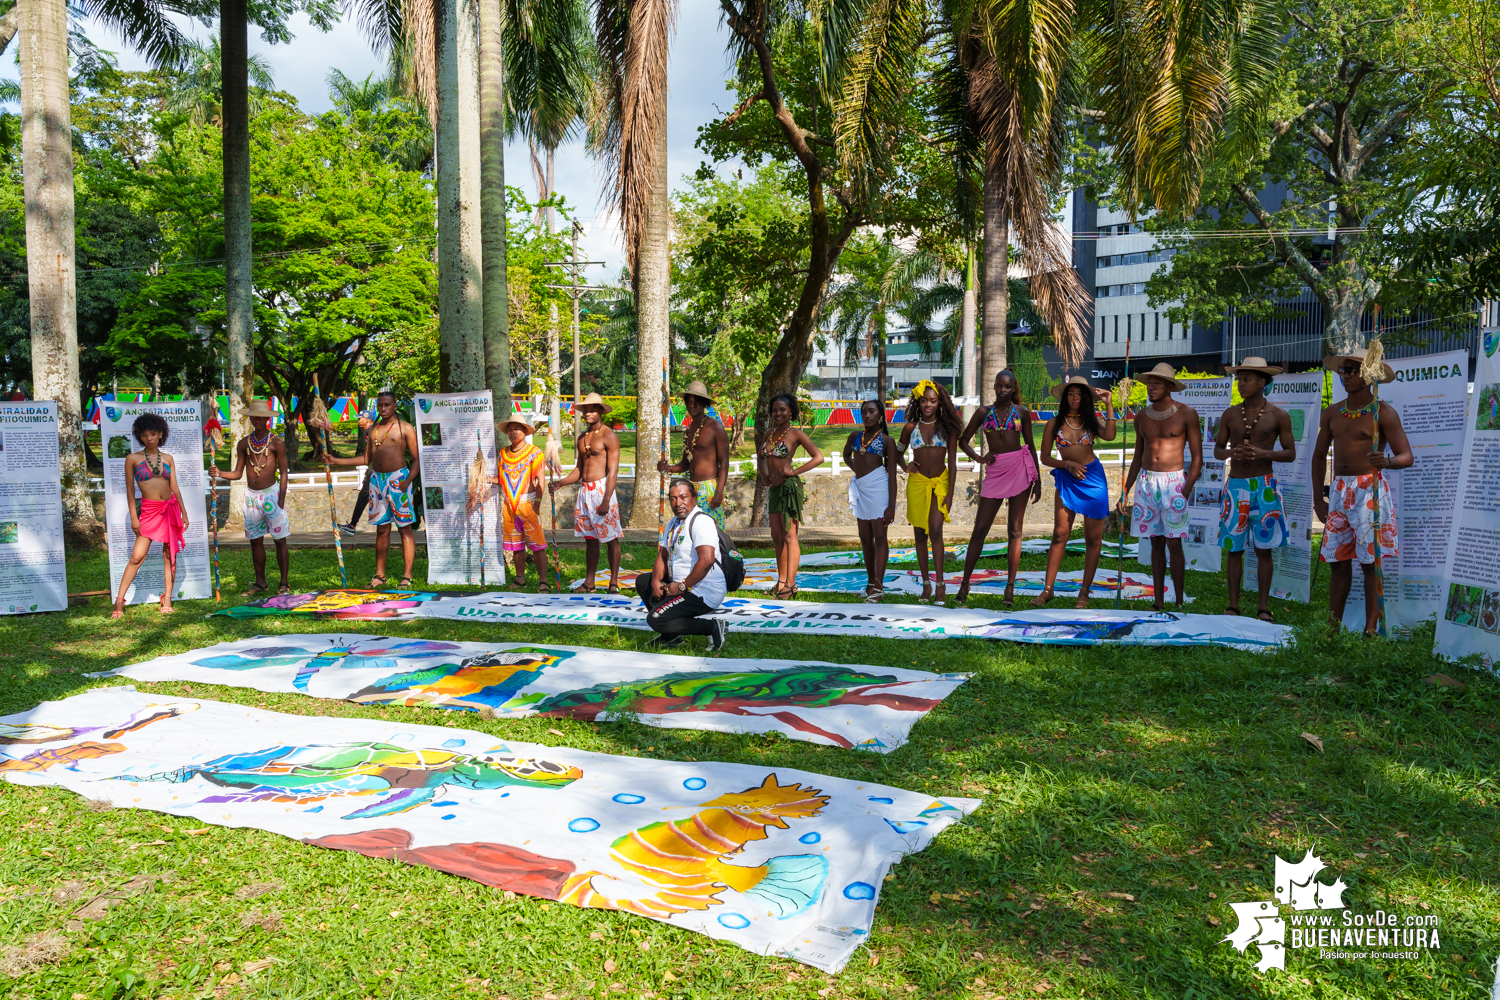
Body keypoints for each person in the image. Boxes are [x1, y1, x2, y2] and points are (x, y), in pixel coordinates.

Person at [1312, 347, 1413, 635]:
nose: (1347, 375)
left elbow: (1407, 455)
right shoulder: (1332, 413)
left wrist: (1389, 461)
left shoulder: (1383, 412)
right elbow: (1319, 456)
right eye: (1344, 370)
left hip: (1370, 490)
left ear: (1370, 375)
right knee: (1337, 560)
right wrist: (1320, 496)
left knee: (1371, 563)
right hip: (1340, 491)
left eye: (1354, 370)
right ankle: (1332, 626)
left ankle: (1371, 628)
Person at [1215, 357, 1297, 621]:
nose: (1241, 383)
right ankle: (1233, 605)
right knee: (1233, 548)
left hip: (1265, 487)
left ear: (1263, 382)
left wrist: (1262, 452)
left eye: (1247, 379)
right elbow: (1218, 450)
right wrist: (1233, 451)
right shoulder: (1230, 414)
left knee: (1264, 549)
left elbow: (1290, 453)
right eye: (1239, 378)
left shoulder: (1278, 415)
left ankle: (1263, 607)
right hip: (1235, 485)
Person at [955, 369, 1042, 605]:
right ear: (994, 386)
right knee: (979, 530)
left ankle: (1010, 588)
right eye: (999, 386)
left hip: (1019, 469)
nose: (1003, 390)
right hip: (995, 472)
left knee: (1015, 530)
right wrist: (979, 458)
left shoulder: (1022, 412)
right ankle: (964, 584)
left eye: (1007, 386)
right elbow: (963, 440)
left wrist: (1038, 479)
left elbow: (1031, 445)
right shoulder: (984, 412)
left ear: (1014, 388)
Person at [1120, 363, 1202, 611]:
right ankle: (1158, 600)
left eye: (1156, 383)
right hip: (1146, 483)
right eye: (1149, 383)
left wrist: (1185, 490)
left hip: (1174, 483)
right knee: (1154, 542)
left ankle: (1178, 599)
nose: (1151, 387)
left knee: (1173, 542)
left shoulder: (1187, 413)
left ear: (1169, 386)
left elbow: (1198, 457)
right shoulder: (1142, 416)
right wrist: (1126, 490)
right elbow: (1137, 456)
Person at [320, 390, 420, 588]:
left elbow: (417, 460)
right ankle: (379, 575)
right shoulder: (372, 429)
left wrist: (407, 481)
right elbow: (367, 459)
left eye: (387, 405)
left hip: (398, 480)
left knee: (404, 529)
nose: (383, 409)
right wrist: (336, 460)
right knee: (382, 530)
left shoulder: (405, 428)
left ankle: (407, 575)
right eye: (380, 405)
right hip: (377, 482)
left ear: (395, 406)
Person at [1036, 376, 1118, 608]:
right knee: (1060, 534)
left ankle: (1084, 592)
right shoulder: (1054, 424)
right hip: (1067, 479)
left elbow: (1110, 435)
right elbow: (1045, 457)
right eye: (1071, 393)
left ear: (1085, 399)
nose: (1075, 397)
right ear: (1065, 397)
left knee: (1093, 538)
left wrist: (1109, 403)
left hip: (1093, 479)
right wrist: (1067, 465)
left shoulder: (1091, 421)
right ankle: (1048, 590)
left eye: (1080, 394)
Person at [635, 479, 730, 652]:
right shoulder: (674, 522)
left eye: (683, 497)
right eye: (673, 498)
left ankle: (713, 627)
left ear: (694, 498)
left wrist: (682, 586)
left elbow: (706, 560)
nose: (678, 503)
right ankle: (671, 637)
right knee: (644, 581)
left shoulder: (701, 522)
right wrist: (656, 581)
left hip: (702, 590)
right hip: (681, 585)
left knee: (656, 619)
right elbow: (662, 555)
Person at [112, 412, 190, 618]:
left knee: (168, 555)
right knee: (137, 557)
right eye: (144, 434)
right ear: (139, 436)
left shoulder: (169, 459)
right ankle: (119, 600)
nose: (149, 438)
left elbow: (175, 487)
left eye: (153, 434)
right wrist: (134, 517)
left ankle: (167, 598)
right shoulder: (132, 459)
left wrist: (184, 512)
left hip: (170, 510)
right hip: (148, 511)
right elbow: (130, 491)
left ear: (161, 434)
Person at [211, 399, 291, 596]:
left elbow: (284, 472)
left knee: (280, 539)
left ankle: (284, 583)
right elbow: (238, 474)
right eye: (254, 416)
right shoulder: (244, 444)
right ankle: (260, 582)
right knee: (255, 540)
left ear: (267, 419)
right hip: (251, 498)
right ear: (250, 418)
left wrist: (280, 499)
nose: (258, 420)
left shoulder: (276, 443)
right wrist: (219, 472)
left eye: (261, 417)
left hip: (272, 495)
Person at [549, 392, 623, 593]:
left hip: (602, 490)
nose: (589, 413)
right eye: (586, 410)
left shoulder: (609, 435)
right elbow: (579, 470)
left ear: (600, 411)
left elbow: (614, 471)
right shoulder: (582, 438)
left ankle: (613, 583)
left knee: (610, 538)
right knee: (590, 539)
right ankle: (589, 583)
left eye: (593, 409)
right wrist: (560, 483)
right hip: (584, 492)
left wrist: (606, 499)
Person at [897, 380, 962, 604]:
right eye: (924, 400)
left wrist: (950, 494)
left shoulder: (948, 428)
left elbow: (952, 464)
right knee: (919, 534)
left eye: (933, 400)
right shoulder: (910, 428)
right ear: (918, 401)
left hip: (940, 482)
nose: (928, 404)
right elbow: (897, 451)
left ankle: (941, 585)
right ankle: (926, 585)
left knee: (935, 528)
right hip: (917, 484)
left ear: (939, 402)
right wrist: (905, 466)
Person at [757, 393, 824, 599]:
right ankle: (781, 581)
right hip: (774, 489)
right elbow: (761, 456)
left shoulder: (795, 434)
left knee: (790, 536)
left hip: (788, 488)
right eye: (775, 410)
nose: (778, 413)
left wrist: (794, 472)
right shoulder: (769, 433)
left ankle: (790, 585)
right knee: (777, 537)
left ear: (791, 412)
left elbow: (819, 457)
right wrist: (763, 475)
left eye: (782, 410)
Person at [486, 416, 551, 592]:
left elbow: (540, 480)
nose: (512, 432)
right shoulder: (503, 454)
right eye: (509, 429)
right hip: (509, 505)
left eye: (517, 429)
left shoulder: (535, 452)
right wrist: (485, 479)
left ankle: (543, 580)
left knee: (537, 544)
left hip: (528, 503)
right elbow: (502, 479)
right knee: (516, 545)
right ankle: (520, 578)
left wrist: (537, 502)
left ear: (524, 431)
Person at [842, 398, 898, 602]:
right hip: (862, 488)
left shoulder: (887, 441)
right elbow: (846, 455)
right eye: (864, 411)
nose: (867, 415)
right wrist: (857, 472)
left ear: (880, 416)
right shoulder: (855, 436)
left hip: (879, 488)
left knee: (880, 537)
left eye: (872, 411)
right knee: (865, 538)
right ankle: (870, 583)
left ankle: (879, 587)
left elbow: (892, 474)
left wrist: (891, 506)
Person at [656, 380, 729, 529]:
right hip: (690, 489)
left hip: (709, 488)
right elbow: (685, 464)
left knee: (713, 532)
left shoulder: (715, 427)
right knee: (692, 531)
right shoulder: (688, 431)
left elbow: (724, 463)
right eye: (689, 402)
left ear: (704, 404)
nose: (692, 405)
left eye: (696, 402)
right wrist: (668, 468)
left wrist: (719, 493)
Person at [339, 410, 376, 534]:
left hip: (375, 468)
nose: (358, 420)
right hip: (374, 467)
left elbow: (368, 456)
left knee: (364, 495)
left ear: (366, 420)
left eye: (360, 418)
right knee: (364, 495)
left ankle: (352, 526)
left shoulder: (370, 431)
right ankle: (352, 525)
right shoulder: (371, 430)